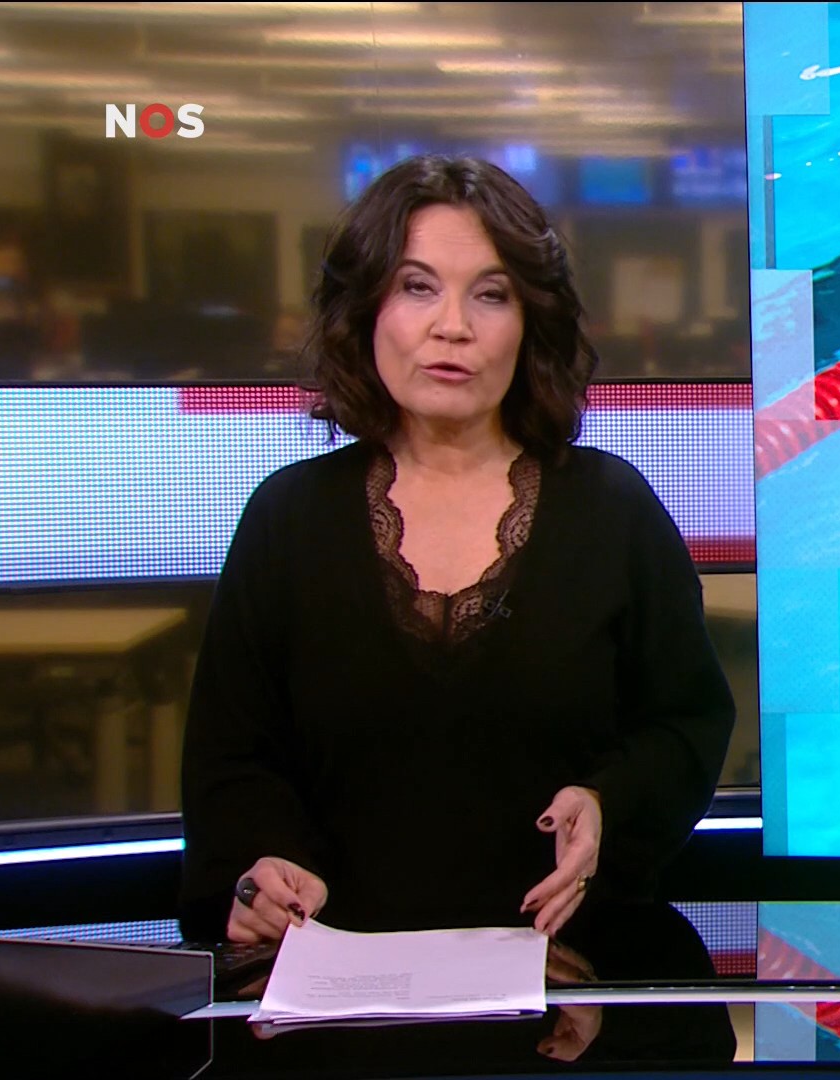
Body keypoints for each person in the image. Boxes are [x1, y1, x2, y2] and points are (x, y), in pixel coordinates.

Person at [177, 155, 737, 952]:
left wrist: (606, 804)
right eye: (417, 287)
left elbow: (686, 724)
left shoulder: (612, 509)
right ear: (367, 308)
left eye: (490, 294)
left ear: (530, 320)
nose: (453, 327)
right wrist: (257, 868)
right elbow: (231, 761)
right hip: (337, 983)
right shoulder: (288, 518)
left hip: (570, 969)